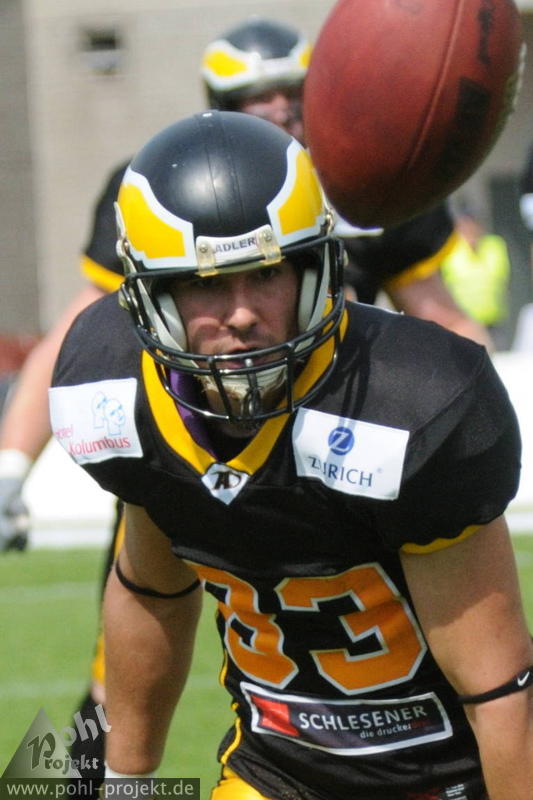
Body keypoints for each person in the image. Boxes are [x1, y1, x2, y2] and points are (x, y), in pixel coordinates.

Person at [0, 13, 494, 785]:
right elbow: (81, 329)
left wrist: (467, 416)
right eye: (253, 98)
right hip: (196, 464)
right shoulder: (163, 207)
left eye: (291, 93)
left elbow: (442, 319)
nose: (277, 111)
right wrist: (9, 465)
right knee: (118, 673)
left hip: (346, 462)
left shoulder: (367, 185)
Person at [440, 208, 511, 349]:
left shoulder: (494, 246)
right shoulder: (450, 250)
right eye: (465, 228)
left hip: (492, 321)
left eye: (472, 227)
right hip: (462, 321)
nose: (469, 232)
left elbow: (503, 278)